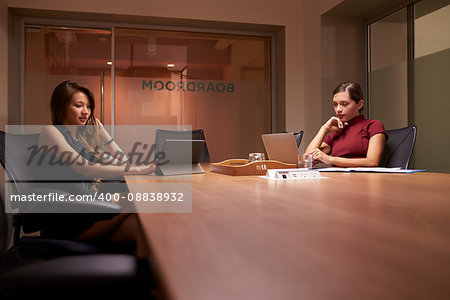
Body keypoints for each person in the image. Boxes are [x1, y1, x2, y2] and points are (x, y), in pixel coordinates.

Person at [38, 80, 156, 258]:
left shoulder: (80, 141)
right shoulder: (51, 132)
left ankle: (145, 283)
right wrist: (138, 171)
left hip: (87, 210)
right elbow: (86, 169)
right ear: (61, 107)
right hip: (68, 219)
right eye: (78, 105)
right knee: (137, 199)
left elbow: (122, 162)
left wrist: (104, 134)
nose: (86, 111)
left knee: (142, 228)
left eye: (89, 106)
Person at [305, 82, 387, 167]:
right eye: (335, 104)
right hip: (335, 178)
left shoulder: (373, 125)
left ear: (359, 104)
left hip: (360, 178)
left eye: (344, 104)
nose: (338, 109)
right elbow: (307, 160)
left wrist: (331, 159)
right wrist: (324, 128)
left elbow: (372, 162)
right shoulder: (338, 132)